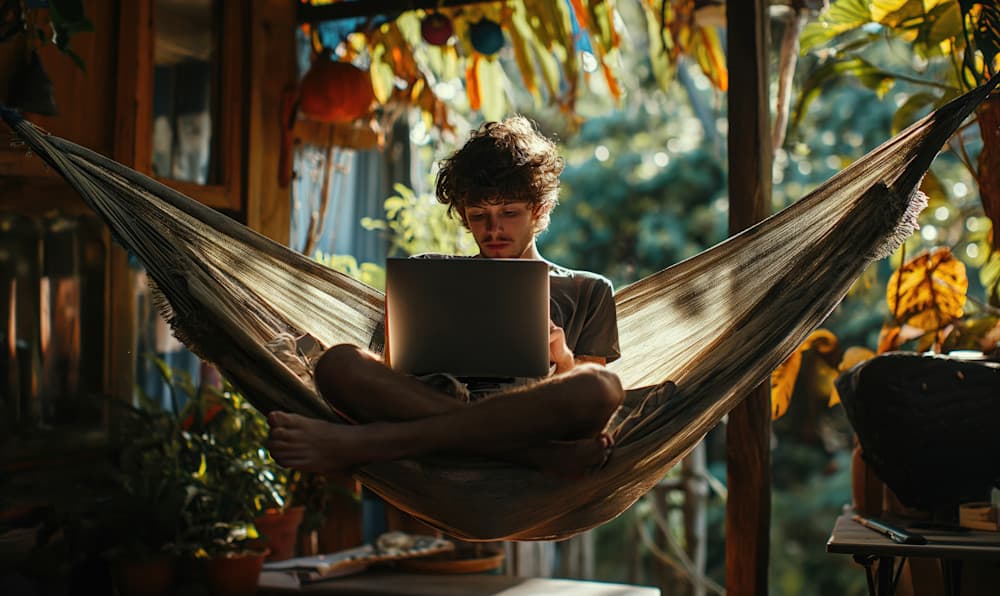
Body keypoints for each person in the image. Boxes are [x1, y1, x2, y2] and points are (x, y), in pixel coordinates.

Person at [267, 116, 626, 478]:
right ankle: (534, 456)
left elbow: (592, 415)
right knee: (338, 364)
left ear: (539, 210)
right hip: (431, 403)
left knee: (600, 386)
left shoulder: (588, 291)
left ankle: (369, 443)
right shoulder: (426, 274)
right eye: (479, 215)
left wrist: (561, 360)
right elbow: (394, 373)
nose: (494, 228)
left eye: (509, 213)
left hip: (532, 418)